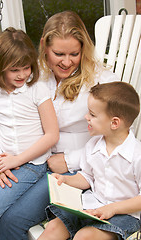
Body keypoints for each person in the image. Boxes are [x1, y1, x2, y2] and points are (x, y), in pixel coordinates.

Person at [0, 11, 119, 240]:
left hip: (74, 169)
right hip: (32, 161)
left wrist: (70, 160)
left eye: (75, 53)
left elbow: (117, 139)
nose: (66, 61)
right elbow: (0, 112)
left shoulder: (101, 81)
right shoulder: (32, 75)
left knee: (13, 219)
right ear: (44, 46)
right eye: (58, 53)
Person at [0, 27, 59, 240]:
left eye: (26, 68)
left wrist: (16, 160)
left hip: (31, 165)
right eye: (15, 69)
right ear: (0, 67)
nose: (22, 75)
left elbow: (52, 135)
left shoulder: (37, 90)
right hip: (2, 161)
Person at [39, 81, 141, 240]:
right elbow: (87, 177)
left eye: (92, 115)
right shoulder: (93, 145)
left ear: (114, 123)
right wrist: (66, 179)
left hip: (124, 215)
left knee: (85, 236)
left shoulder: (137, 155)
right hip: (92, 205)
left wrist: (112, 208)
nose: (86, 117)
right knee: (53, 227)